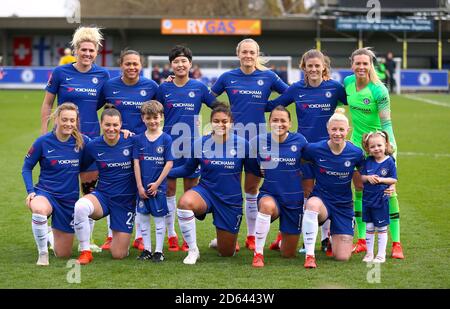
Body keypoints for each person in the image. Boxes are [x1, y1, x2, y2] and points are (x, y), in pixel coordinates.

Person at [265, 49, 347, 254]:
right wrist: (250, 101)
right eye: (309, 66)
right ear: (304, 68)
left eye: (317, 66)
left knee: (328, 192)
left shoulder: (335, 88)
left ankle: (326, 239)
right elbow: (275, 105)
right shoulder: (296, 89)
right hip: (303, 151)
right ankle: (300, 238)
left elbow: (354, 100)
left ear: (324, 67)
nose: (313, 69)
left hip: (330, 151)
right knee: (306, 194)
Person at [210, 38, 288, 251]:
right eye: (244, 52)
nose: (248, 55)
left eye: (251, 52)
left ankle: (252, 236)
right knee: (229, 189)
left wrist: (267, 106)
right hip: (230, 142)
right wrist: (224, 115)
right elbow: (208, 97)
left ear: (257, 54)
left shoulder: (268, 76)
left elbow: (289, 94)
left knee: (252, 188)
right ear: (238, 54)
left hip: (258, 142)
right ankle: (228, 236)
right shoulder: (227, 77)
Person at [41, 26, 110, 252]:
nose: (87, 54)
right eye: (83, 50)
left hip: (91, 140)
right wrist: (45, 133)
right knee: (63, 189)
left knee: (89, 191)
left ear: (96, 52)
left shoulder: (102, 75)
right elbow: (48, 104)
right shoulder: (61, 73)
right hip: (64, 140)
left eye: (91, 50)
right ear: (76, 50)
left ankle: (86, 240)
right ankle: (54, 232)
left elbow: (106, 102)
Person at [168, 102, 256, 265]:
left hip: (230, 200)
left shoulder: (243, 144)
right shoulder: (200, 143)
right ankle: (193, 250)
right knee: (185, 202)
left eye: (224, 121)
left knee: (227, 253)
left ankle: (222, 240)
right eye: (216, 121)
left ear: (231, 123)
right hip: (206, 192)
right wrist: (164, 172)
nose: (220, 124)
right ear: (211, 122)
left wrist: (271, 168)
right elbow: (187, 169)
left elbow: (254, 170)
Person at [344, 47, 404, 259]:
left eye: (365, 63)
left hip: (380, 144)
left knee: (388, 191)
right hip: (357, 146)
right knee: (360, 188)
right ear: (352, 64)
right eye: (357, 63)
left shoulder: (379, 90)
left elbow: (386, 122)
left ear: (371, 65)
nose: (361, 67)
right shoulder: (348, 83)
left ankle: (396, 243)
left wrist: (386, 147)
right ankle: (362, 240)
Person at [156, 45, 216, 252]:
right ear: (171, 65)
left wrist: (212, 131)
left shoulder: (199, 88)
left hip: (192, 148)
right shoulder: (163, 88)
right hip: (169, 147)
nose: (180, 65)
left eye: (184, 61)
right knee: (170, 191)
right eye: (176, 61)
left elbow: (217, 107)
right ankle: (171, 234)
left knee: (190, 194)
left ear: (190, 64)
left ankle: (187, 239)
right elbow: (152, 112)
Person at [100, 49, 159, 251]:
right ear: (121, 65)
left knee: (139, 188)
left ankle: (140, 236)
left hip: (143, 146)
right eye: (128, 64)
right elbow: (99, 109)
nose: (132, 67)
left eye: (135, 64)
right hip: (116, 146)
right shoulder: (109, 86)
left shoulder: (151, 86)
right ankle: (110, 235)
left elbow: (159, 111)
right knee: (116, 187)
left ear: (141, 66)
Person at [22, 103, 89, 265]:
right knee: (39, 209)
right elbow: (26, 167)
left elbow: (104, 144)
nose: (68, 123)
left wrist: (123, 133)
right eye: (64, 119)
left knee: (63, 254)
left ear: (76, 121)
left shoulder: (82, 142)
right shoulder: (43, 142)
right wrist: (30, 191)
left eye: (72, 120)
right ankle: (42, 254)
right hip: (46, 193)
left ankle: (48, 234)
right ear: (56, 119)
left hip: (68, 201)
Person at [301, 108, 365, 268]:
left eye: (341, 129)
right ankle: (309, 255)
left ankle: (331, 238)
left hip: (343, 205)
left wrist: (387, 185)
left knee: (342, 257)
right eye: (334, 129)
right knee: (312, 205)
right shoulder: (314, 149)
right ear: (328, 129)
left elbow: (365, 175)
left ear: (348, 130)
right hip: (322, 200)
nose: (337, 133)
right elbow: (297, 158)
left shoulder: (356, 153)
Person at [74, 105, 136, 265]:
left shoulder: (132, 141)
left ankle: (121, 241)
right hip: (103, 197)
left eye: (115, 125)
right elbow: (82, 166)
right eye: (107, 125)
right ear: (101, 124)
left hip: (125, 202)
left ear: (121, 125)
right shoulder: (93, 146)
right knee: (81, 206)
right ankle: (85, 251)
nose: (111, 128)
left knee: (118, 255)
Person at [250, 106, 308, 267]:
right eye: (275, 120)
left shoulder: (300, 141)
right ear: (269, 122)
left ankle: (281, 239)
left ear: (290, 123)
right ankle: (258, 254)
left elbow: (313, 159)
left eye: (283, 120)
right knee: (266, 206)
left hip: (293, 200)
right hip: (270, 194)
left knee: (288, 255)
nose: (279, 124)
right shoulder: (259, 141)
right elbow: (245, 155)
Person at [133, 101, 173, 262]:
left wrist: (157, 184)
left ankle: (158, 251)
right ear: (143, 118)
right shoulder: (138, 139)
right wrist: (139, 186)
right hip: (142, 189)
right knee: (143, 219)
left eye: (156, 117)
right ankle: (147, 249)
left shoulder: (166, 139)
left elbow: (169, 163)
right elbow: (136, 163)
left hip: (159, 189)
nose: (152, 121)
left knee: (158, 220)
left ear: (162, 117)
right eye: (148, 118)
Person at [360, 131, 397, 263]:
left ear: (385, 145)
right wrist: (368, 178)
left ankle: (381, 254)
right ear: (368, 149)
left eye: (379, 145)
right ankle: (369, 253)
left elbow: (394, 179)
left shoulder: (389, 162)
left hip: (381, 200)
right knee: (369, 227)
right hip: (367, 200)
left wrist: (381, 179)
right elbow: (361, 177)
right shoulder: (367, 161)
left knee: (381, 228)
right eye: (373, 147)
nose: (376, 149)